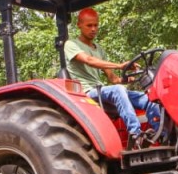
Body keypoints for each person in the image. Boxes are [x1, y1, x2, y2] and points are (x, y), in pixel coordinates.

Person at [64, 8, 161, 149]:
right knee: (117, 90)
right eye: (89, 25)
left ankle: (162, 135)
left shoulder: (99, 49)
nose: (93, 29)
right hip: (86, 94)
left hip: (102, 91)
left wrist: (129, 78)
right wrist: (119, 65)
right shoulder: (71, 44)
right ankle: (136, 134)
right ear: (79, 25)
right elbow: (89, 60)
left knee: (149, 99)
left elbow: (113, 79)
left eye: (96, 25)